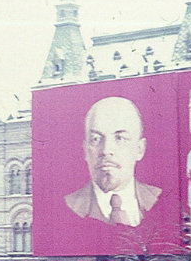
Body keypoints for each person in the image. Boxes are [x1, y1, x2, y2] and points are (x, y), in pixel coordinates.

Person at [65, 96, 161, 227]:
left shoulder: (159, 199)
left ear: (140, 149)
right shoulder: (69, 206)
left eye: (120, 138)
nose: (106, 150)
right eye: (95, 139)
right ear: (86, 150)